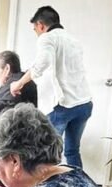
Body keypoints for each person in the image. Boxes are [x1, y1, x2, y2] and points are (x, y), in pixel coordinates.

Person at [10, 6, 92, 168]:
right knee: (72, 151)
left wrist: (18, 83)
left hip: (63, 107)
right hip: (84, 104)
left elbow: (42, 63)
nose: (37, 33)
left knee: (47, 154)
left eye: (35, 29)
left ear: (41, 25)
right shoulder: (73, 40)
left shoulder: (47, 38)